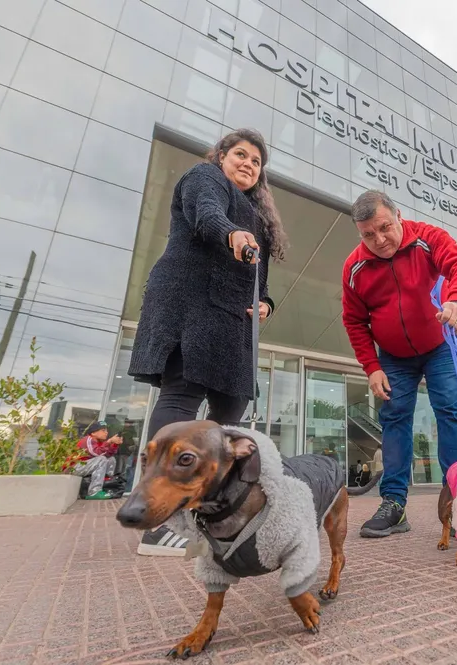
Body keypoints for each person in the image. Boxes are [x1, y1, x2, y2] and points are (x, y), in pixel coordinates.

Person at [128, 128, 287, 556]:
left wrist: (266, 303)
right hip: (191, 300)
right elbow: (206, 214)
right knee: (182, 394)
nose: (248, 164)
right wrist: (230, 234)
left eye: (256, 162)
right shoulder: (205, 178)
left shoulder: (259, 218)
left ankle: (215, 507)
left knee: (232, 406)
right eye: (241, 154)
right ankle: (157, 519)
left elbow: (262, 280)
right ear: (221, 156)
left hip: (232, 317)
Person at [342, 190, 457, 538]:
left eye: (385, 227)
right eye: (368, 235)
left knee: (450, 410)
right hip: (393, 357)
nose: (379, 240)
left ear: (398, 215)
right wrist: (371, 367)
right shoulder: (355, 267)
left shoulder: (429, 239)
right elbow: (354, 321)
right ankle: (394, 504)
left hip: (440, 345)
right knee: (394, 419)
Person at [65, 421, 122, 499]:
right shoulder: (87, 440)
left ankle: (106, 484)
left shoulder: (100, 442)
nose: (106, 433)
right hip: (72, 468)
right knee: (101, 459)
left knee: (110, 459)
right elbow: (96, 453)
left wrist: (115, 444)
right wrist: (109, 442)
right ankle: (94, 492)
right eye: (103, 430)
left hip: (85, 466)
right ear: (93, 433)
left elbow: (108, 455)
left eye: (106, 430)